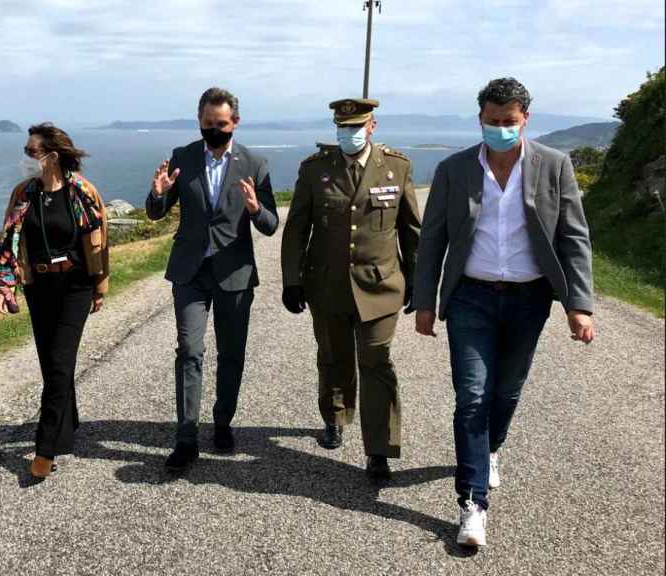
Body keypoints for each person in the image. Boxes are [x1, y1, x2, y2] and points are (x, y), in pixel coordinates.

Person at [413, 77, 596, 547]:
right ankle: (472, 505)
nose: (500, 130)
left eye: (509, 123)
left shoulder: (555, 166)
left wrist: (579, 304)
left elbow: (573, 237)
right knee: (472, 395)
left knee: (507, 390)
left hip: (529, 297)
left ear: (525, 120)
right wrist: (426, 302)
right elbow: (432, 238)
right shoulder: (454, 169)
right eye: (492, 122)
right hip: (470, 296)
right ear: (480, 119)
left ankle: (491, 448)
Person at [280, 98, 421, 482]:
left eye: (356, 126)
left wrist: (419, 284)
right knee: (333, 357)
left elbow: (411, 231)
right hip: (326, 285)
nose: (349, 133)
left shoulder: (396, 167)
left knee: (376, 361)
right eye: (342, 127)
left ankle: (379, 449)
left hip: (380, 286)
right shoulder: (315, 170)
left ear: (372, 126)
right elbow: (296, 229)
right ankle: (336, 417)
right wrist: (291, 281)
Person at [146, 87, 279, 473]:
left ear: (235, 122)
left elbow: (270, 224)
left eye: (220, 124)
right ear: (199, 122)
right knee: (189, 350)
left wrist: (256, 210)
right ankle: (186, 438)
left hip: (234, 273)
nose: (213, 130)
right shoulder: (183, 157)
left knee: (231, 354)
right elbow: (156, 211)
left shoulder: (255, 163)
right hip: (190, 272)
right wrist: (157, 196)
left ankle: (222, 422)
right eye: (207, 124)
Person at [0, 122, 110, 479]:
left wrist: (99, 286)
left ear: (52, 157)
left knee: (59, 365)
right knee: (52, 365)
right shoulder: (23, 194)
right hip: (38, 287)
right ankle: (66, 428)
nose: (26, 158)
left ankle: (44, 450)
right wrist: (5, 285)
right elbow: (8, 240)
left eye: (32, 152)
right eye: (26, 152)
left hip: (75, 287)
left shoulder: (81, 192)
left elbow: (100, 241)